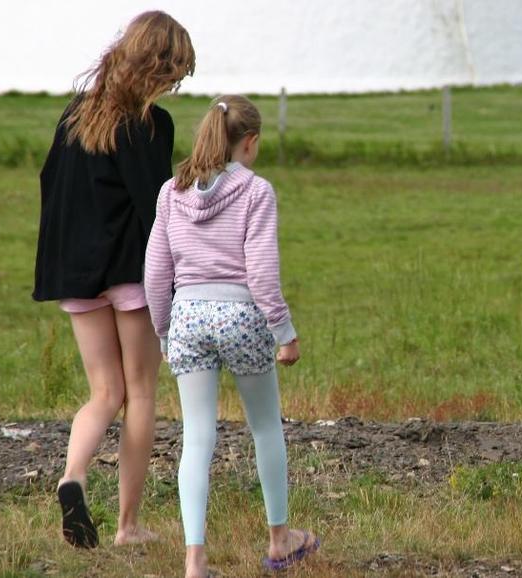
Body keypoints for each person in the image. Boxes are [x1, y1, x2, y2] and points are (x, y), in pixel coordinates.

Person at [33, 11, 195, 549]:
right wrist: (174, 280)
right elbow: (158, 208)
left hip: (74, 270)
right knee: (141, 392)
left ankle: (72, 476)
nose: (174, 85)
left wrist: (60, 261)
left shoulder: (74, 116)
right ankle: (128, 526)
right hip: (130, 269)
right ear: (158, 66)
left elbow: (50, 184)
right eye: (175, 73)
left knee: (104, 392)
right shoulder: (150, 123)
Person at [144, 95, 319, 578]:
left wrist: (164, 330)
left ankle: (194, 560)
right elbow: (261, 273)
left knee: (197, 436)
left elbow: (157, 273)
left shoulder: (170, 192)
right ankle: (280, 540)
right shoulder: (256, 191)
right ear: (251, 142)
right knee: (265, 427)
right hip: (241, 316)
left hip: (189, 319)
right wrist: (285, 333)